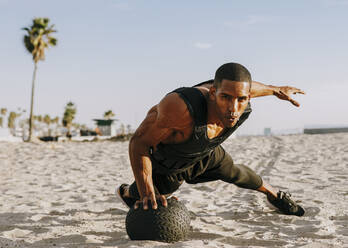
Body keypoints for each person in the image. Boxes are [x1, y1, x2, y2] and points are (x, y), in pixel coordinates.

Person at [117, 62, 305, 216]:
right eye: (225, 97)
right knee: (145, 197)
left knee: (234, 172)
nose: (233, 108)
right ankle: (124, 191)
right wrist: (147, 191)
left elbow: (250, 88)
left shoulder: (241, 98)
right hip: (169, 164)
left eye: (241, 99)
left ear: (248, 97)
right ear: (213, 92)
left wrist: (276, 90)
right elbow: (139, 143)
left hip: (205, 153)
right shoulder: (180, 108)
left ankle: (274, 195)